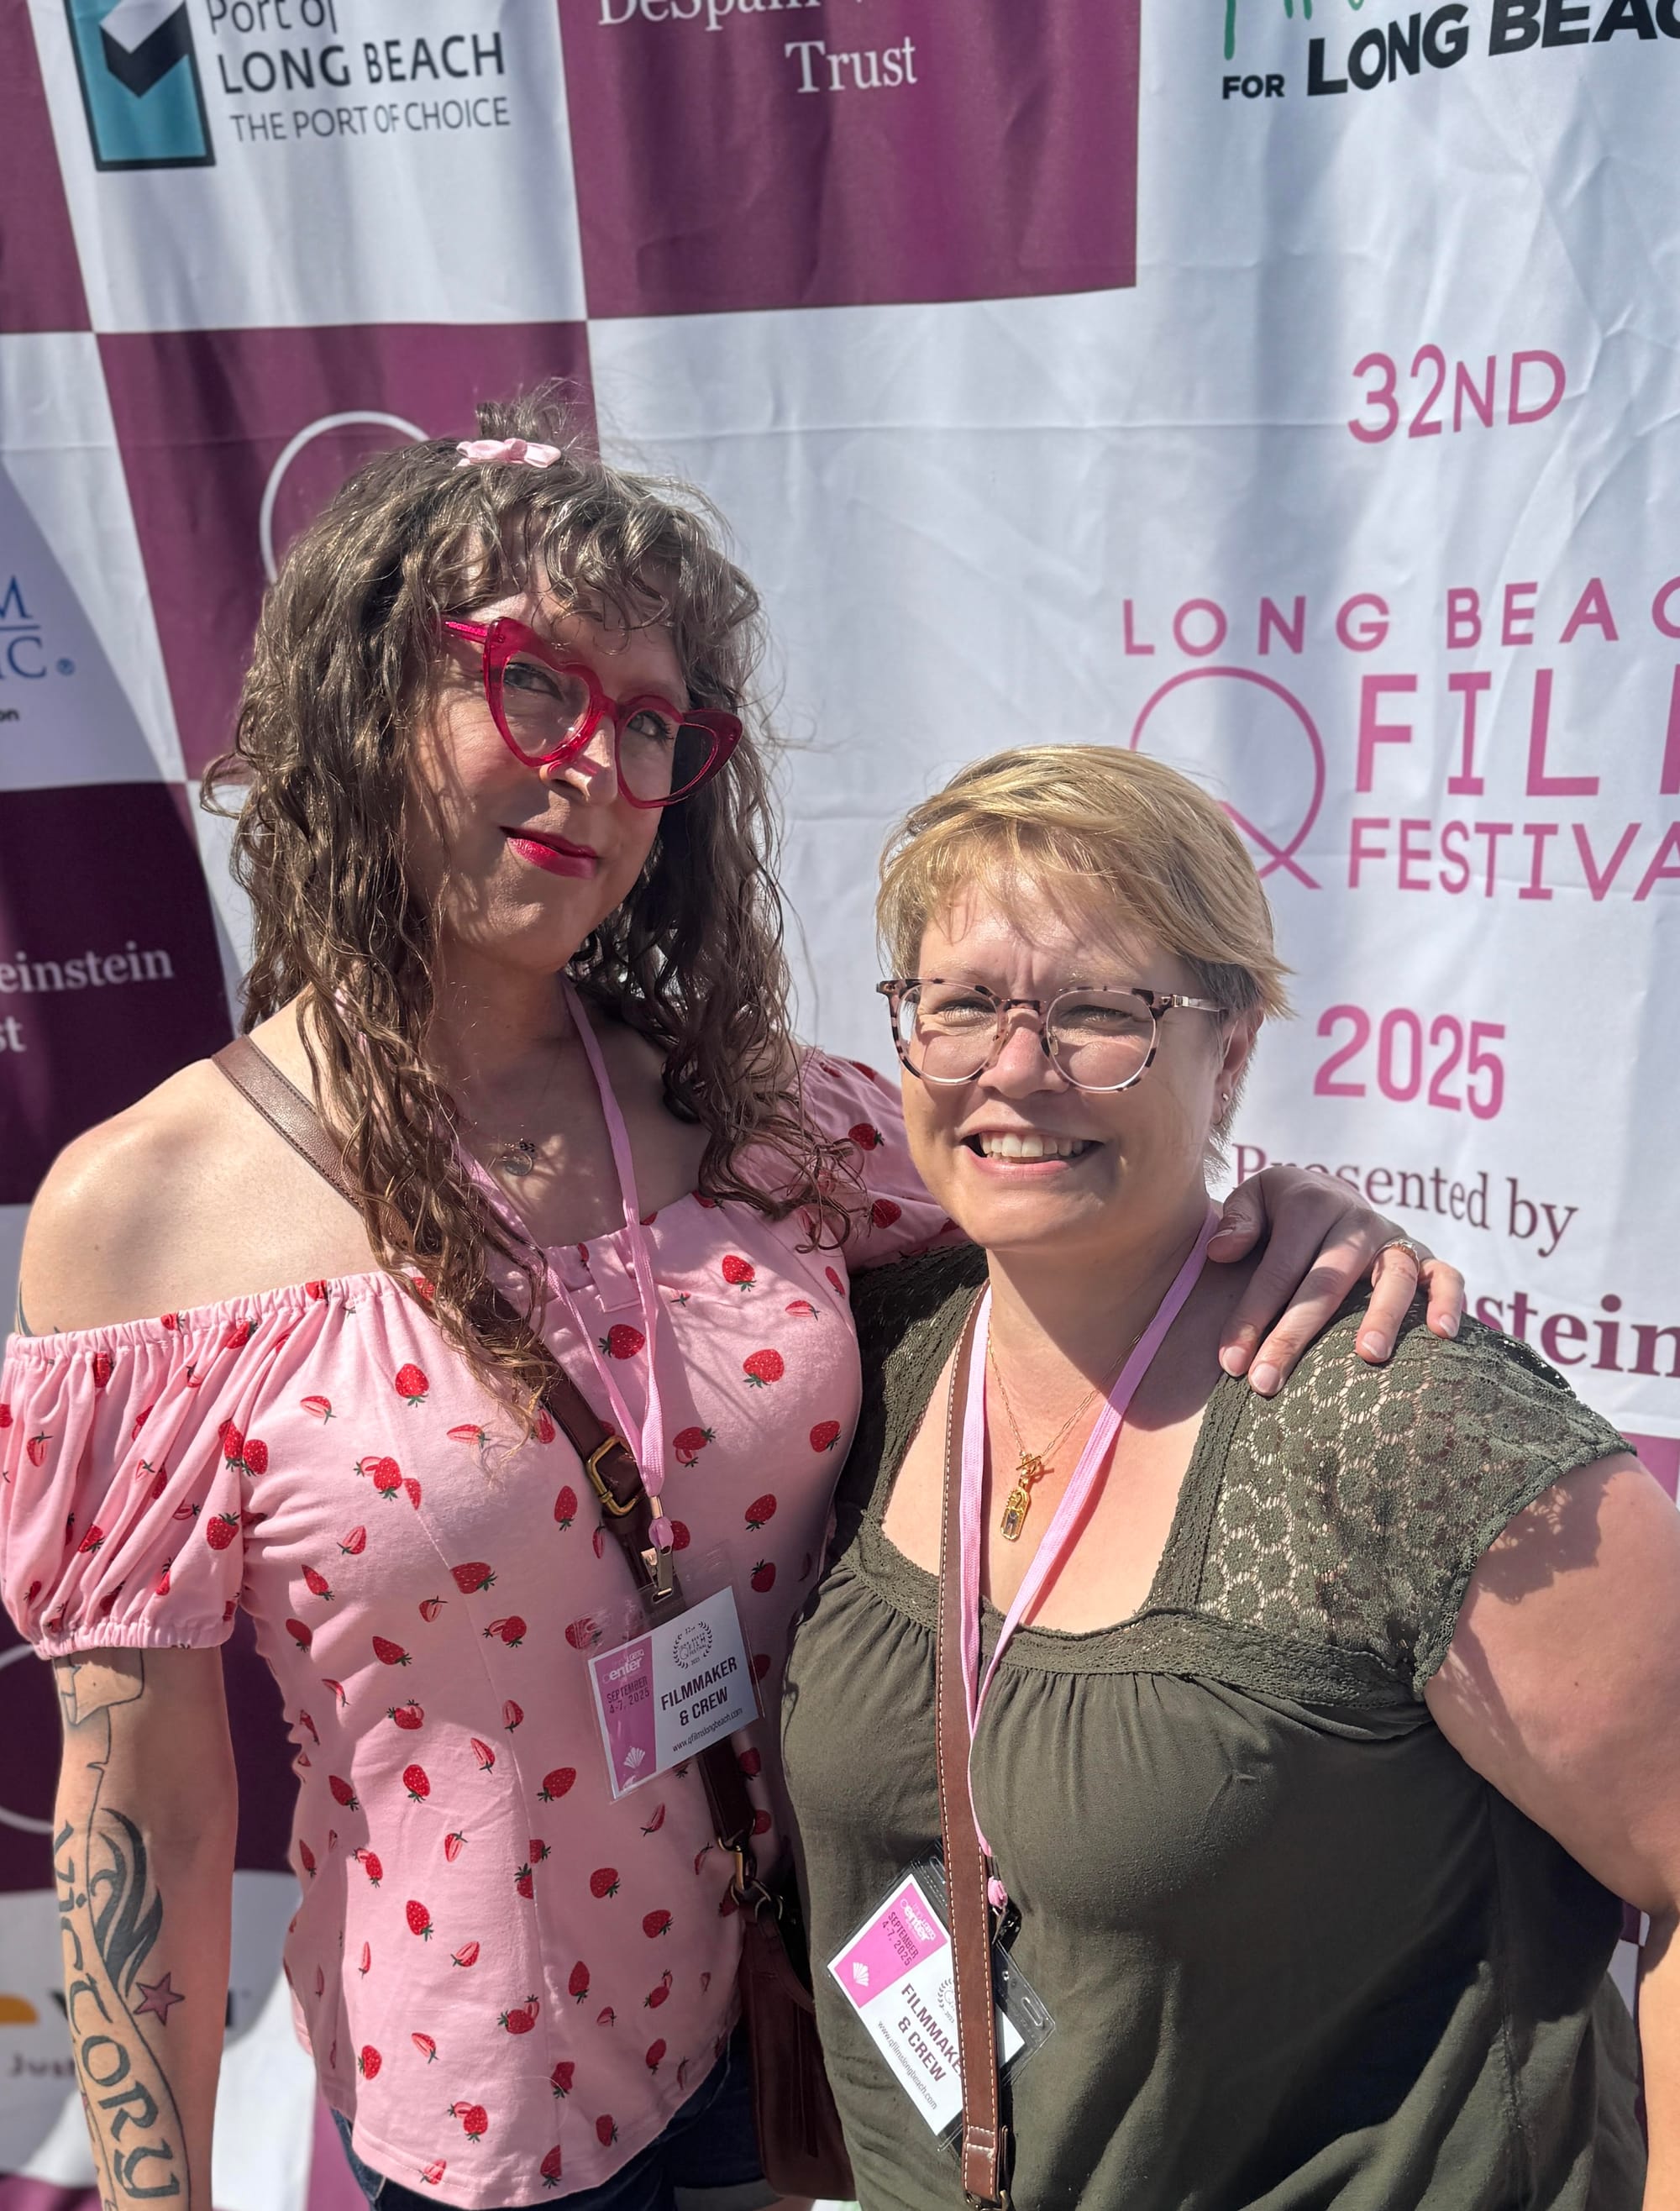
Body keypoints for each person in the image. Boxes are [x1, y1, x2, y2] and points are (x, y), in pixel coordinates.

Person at [0, 402, 1460, 2211]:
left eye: (657, 727)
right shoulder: (142, 1217)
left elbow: (1086, 1193)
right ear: (366, 697)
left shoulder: (763, 1118)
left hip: (824, 2013)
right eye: (534, 687)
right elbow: (145, 1798)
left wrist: (1282, 1200)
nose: (601, 768)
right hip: (492, 2103)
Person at [780, 743, 1680, 2211]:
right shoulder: (875, 1352)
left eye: (1100, 1014)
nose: (1016, 1068)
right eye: (961, 1007)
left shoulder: (1401, 1422)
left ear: (1233, 1050)